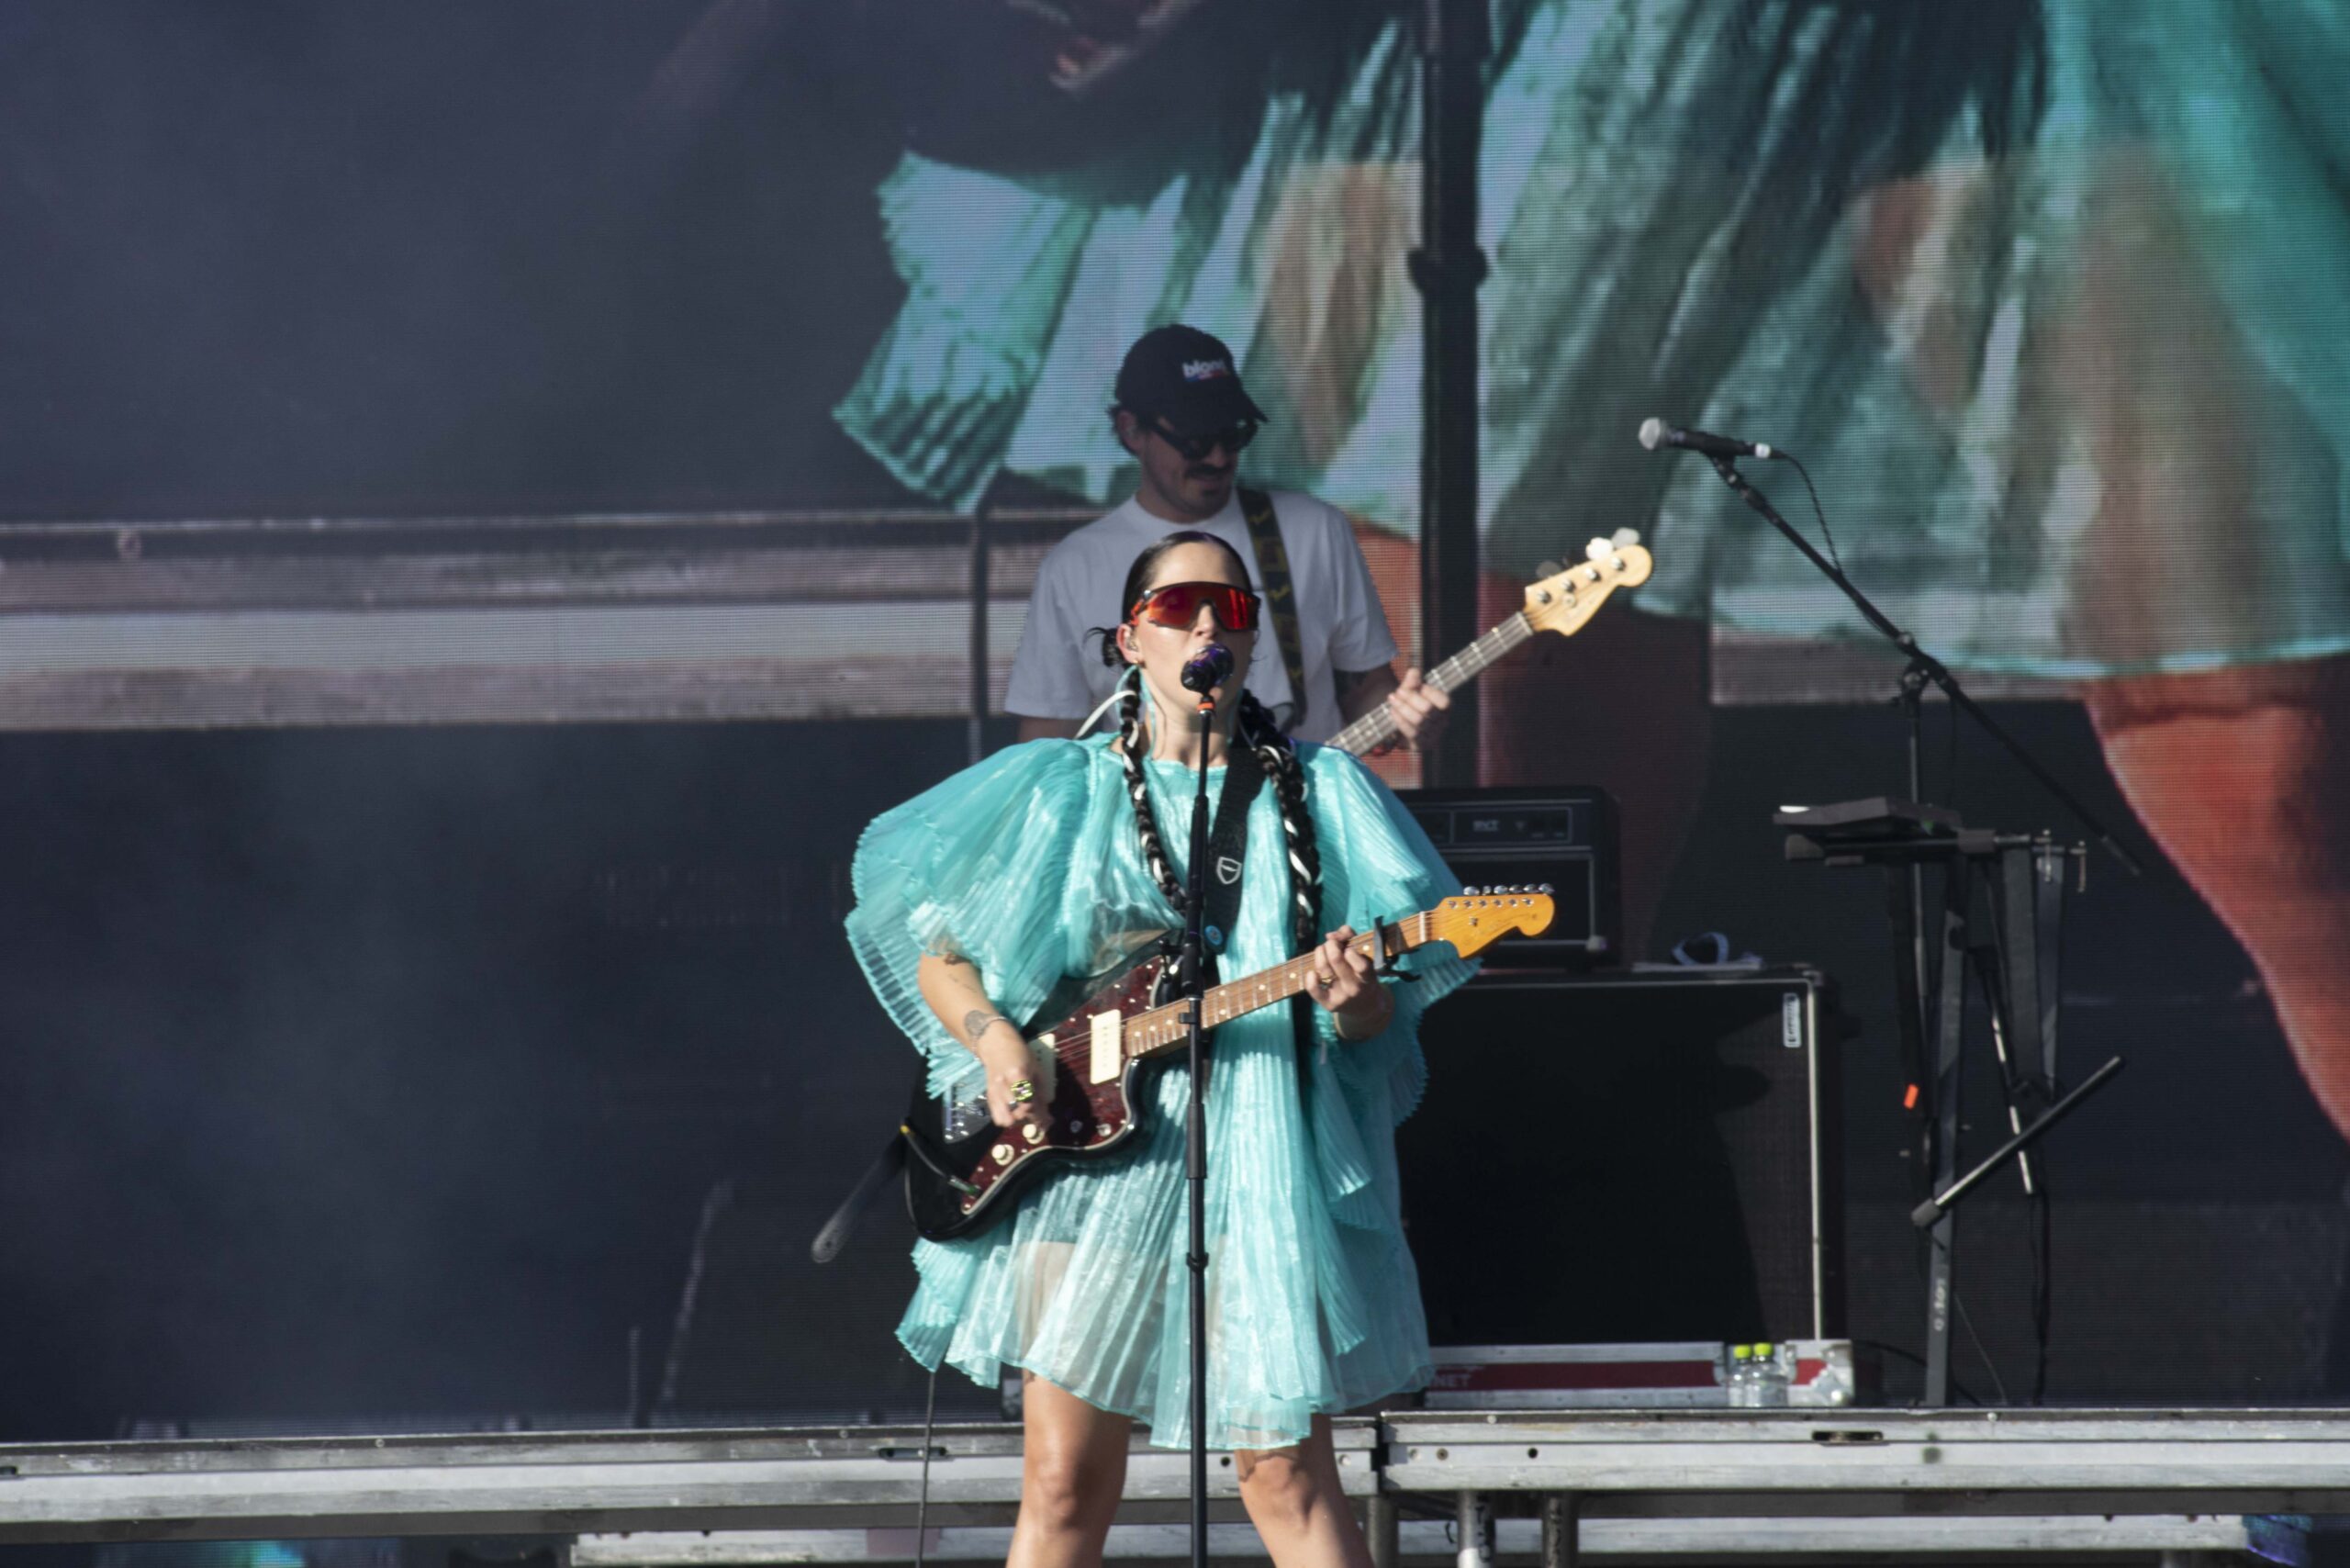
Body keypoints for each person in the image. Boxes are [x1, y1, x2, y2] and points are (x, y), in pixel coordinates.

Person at [846, 530, 1474, 1568]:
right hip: (1085, 1170)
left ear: (1253, 641)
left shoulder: (1323, 792)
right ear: (1130, 638)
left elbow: (1374, 1028)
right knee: (1062, 1485)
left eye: (1232, 609)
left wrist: (1356, 1001)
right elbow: (941, 959)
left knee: (1283, 1475)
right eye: (1178, 607)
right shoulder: (1064, 790)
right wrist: (997, 1044)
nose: (1206, 624)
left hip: (1257, 1167)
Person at [1004, 324, 1449, 752]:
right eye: (1195, 440)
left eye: (1232, 434)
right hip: (1151, 804)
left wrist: (1406, 720)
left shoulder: (1316, 530)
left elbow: (1367, 689)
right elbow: (1046, 744)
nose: (1218, 457)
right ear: (1132, 430)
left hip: (1304, 800)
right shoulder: (1075, 566)